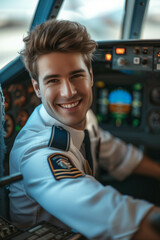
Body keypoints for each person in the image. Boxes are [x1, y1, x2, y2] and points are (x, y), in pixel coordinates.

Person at [9, 19, 160, 240]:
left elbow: (118, 154)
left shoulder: (84, 117)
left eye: (76, 75)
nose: (68, 92)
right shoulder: (38, 153)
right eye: (53, 80)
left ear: (90, 75)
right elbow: (118, 219)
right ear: (36, 88)